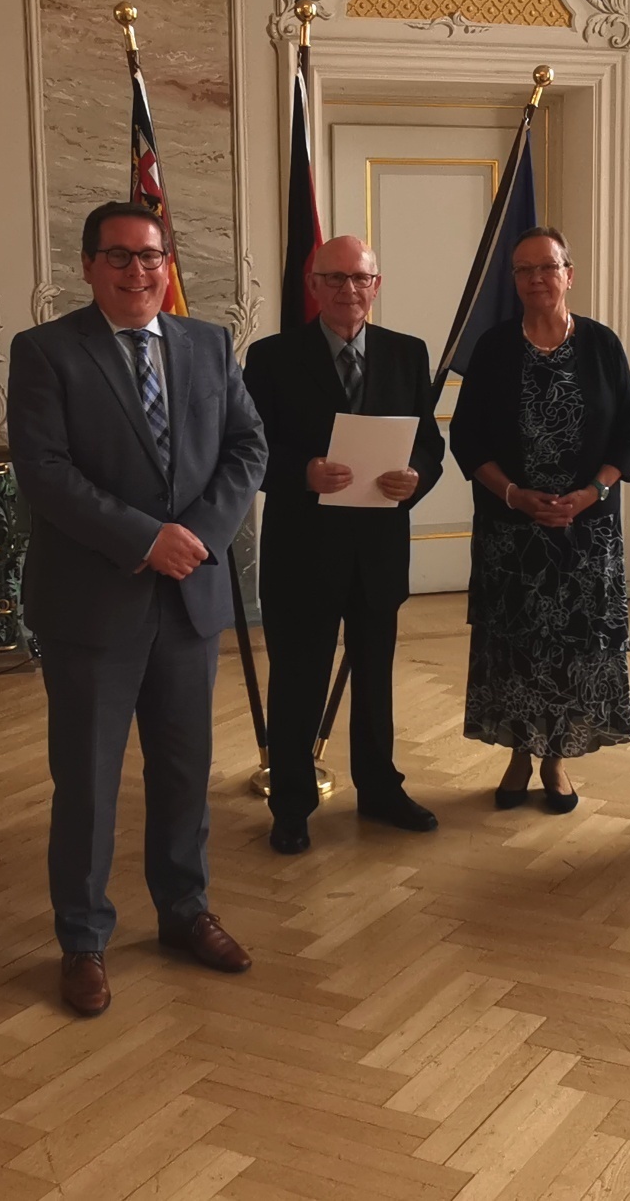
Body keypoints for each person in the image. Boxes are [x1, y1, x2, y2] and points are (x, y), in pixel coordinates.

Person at [7, 199, 266, 1015]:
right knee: (88, 783)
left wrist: (199, 536)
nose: (137, 271)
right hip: (92, 607)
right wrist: (145, 538)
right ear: (88, 265)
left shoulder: (208, 343)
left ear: (168, 263)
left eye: (150, 255)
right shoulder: (46, 352)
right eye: (117, 256)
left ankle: (185, 911)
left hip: (189, 600)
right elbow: (45, 472)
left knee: (185, 772)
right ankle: (83, 938)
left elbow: (248, 446)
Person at [243, 235, 446, 855]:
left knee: (375, 679)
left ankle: (380, 789)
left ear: (376, 286)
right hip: (301, 553)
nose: (348, 290)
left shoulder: (407, 353)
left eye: (360, 278)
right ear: (313, 286)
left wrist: (416, 476)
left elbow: (429, 445)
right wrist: (302, 471)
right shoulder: (272, 357)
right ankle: (292, 805)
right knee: (297, 681)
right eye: (334, 278)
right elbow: (249, 448)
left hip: (378, 551)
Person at [449, 227, 630, 810]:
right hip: (511, 536)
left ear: (568, 274)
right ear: (514, 280)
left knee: (572, 652)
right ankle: (517, 753)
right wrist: (513, 495)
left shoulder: (603, 345)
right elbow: (467, 439)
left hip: (586, 533)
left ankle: (557, 759)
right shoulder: (493, 348)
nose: (536, 279)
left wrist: (591, 493)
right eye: (524, 270)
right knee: (515, 649)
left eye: (547, 267)